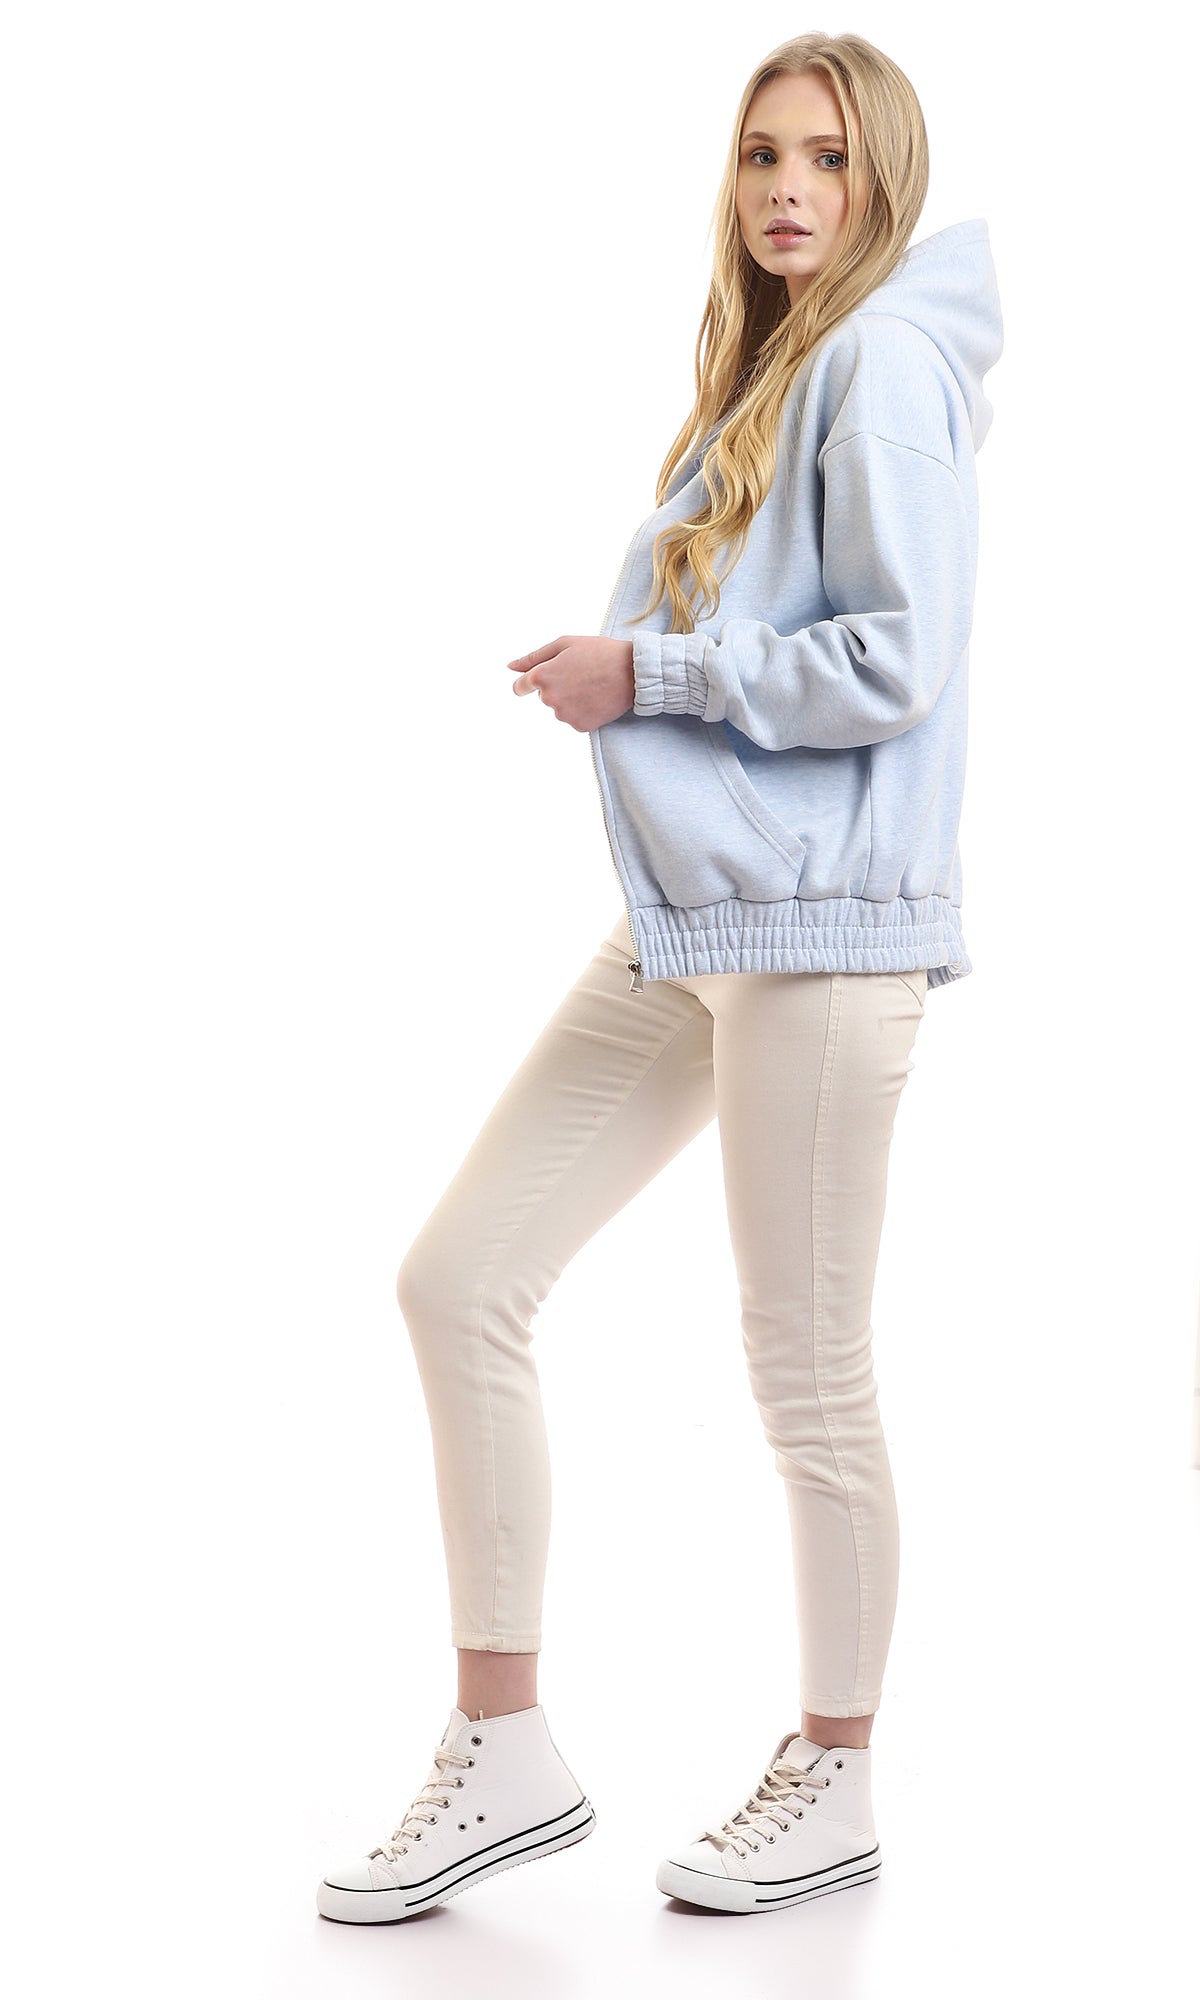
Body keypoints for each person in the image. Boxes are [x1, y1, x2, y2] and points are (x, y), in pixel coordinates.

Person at [317, 28, 1002, 1924]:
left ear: (885, 182)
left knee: (806, 1373)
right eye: (765, 154)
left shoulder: (881, 364)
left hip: (824, 933)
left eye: (829, 159)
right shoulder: (777, 365)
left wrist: (654, 673)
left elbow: (902, 657)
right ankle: (506, 1749)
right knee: (461, 1276)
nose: (789, 188)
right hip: (700, 923)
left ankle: (837, 1778)